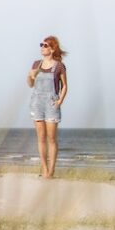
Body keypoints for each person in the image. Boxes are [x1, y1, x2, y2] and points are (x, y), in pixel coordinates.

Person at [27, 35, 68, 178]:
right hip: (36, 103)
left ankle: (51, 170)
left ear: (52, 49)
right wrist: (30, 76)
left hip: (51, 103)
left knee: (51, 138)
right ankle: (44, 168)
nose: (42, 47)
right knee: (41, 138)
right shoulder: (35, 64)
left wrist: (59, 102)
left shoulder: (59, 66)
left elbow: (64, 86)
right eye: (41, 44)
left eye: (45, 45)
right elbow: (30, 84)